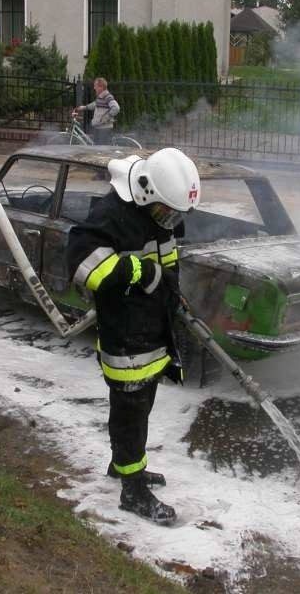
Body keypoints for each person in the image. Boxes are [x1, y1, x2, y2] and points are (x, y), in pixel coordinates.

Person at [66, 147, 201, 526]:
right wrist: (137, 271)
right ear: (144, 192)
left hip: (151, 327)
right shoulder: (111, 215)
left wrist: (173, 290)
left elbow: (168, 254)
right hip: (125, 333)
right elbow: (83, 266)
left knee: (140, 406)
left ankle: (124, 465)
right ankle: (132, 490)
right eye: (167, 213)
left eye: (175, 215)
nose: (170, 221)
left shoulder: (159, 211)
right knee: (130, 412)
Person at [75, 77, 120, 145]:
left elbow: (116, 108)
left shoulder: (107, 97)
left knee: (101, 152)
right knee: (97, 149)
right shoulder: (101, 97)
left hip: (104, 129)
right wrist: (84, 107)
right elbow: (95, 104)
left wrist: (106, 117)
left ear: (100, 87)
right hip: (99, 127)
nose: (94, 88)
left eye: (95, 86)